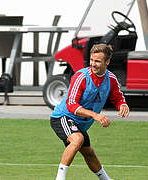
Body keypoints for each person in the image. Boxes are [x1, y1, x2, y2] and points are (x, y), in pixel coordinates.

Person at [50, 44, 130, 180]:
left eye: (97, 61)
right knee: (78, 139)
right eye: (92, 60)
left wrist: (122, 104)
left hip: (80, 122)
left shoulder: (111, 79)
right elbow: (71, 105)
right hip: (63, 117)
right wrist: (95, 115)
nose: (93, 64)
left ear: (107, 62)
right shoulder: (81, 77)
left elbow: (117, 96)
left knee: (89, 153)